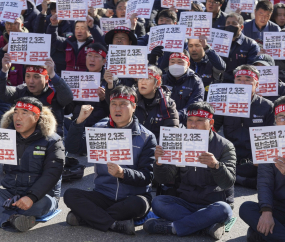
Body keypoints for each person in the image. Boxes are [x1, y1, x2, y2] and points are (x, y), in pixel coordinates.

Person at [63, 86, 157, 235]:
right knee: (70, 195)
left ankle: (86, 218)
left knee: (139, 204)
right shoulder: (98, 130)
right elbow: (73, 148)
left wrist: (123, 173)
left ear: (134, 107)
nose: (117, 108)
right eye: (114, 104)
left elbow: (147, 177)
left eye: (123, 104)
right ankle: (114, 224)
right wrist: (79, 121)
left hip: (131, 196)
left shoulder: (147, 137)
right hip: (103, 194)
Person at [143, 101, 236, 240]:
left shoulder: (225, 146)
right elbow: (164, 179)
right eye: (190, 120)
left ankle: (173, 227)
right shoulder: (178, 141)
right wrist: (159, 163)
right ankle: (205, 227)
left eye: (199, 121)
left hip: (212, 202)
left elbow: (228, 182)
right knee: (158, 202)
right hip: (185, 202)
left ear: (211, 123)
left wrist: (216, 165)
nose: (193, 125)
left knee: (224, 210)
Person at [0, 97, 64, 232]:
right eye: (15, 112)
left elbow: (52, 173)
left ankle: (9, 217)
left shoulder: (52, 141)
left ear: (36, 118)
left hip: (41, 196)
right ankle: (15, 219)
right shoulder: (5, 137)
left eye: (24, 113)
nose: (18, 117)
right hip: (11, 192)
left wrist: (31, 197)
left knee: (38, 205)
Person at [214, 64, 274, 189]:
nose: (243, 82)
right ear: (234, 81)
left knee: (267, 173)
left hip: (254, 160)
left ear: (256, 84)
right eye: (239, 79)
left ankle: (235, 178)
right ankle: (239, 179)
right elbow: (212, 129)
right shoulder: (223, 102)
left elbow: (270, 138)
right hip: (228, 156)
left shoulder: (267, 106)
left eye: (248, 79)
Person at [239, 96, 285, 242]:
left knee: (255, 235)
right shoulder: (268, 141)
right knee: (246, 208)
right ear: (275, 121)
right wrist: (266, 211)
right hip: (278, 206)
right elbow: (265, 181)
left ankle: (267, 234)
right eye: (281, 117)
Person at [0, 54, 73, 137]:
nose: (31, 81)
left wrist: (53, 74)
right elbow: (2, 93)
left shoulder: (54, 92)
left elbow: (68, 98)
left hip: (49, 140)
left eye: (36, 77)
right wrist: (4, 71)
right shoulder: (20, 90)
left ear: (46, 78)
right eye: (28, 76)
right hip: (23, 140)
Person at [105, 65, 179, 141]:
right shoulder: (130, 97)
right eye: (140, 78)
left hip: (155, 149)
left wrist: (153, 147)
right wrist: (110, 84)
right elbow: (114, 102)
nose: (143, 82)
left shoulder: (167, 104)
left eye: (148, 78)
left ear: (158, 83)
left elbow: (171, 130)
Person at [65, 43, 110, 128]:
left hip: (100, 126)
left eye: (96, 56)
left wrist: (104, 99)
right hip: (78, 123)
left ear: (104, 61)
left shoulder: (109, 81)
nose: (92, 59)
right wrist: (67, 97)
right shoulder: (77, 79)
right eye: (89, 55)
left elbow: (112, 111)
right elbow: (67, 110)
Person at [162, 50, 204, 124]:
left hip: (185, 124)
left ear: (188, 64)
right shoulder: (162, 79)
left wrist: (176, 117)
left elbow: (195, 105)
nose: (175, 65)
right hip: (162, 121)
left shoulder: (196, 81)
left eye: (180, 62)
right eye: (172, 62)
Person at [222, 12, 260, 83]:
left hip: (242, 83)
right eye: (228, 23)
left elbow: (251, 69)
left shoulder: (251, 45)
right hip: (222, 82)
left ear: (241, 27)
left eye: (234, 23)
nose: (230, 26)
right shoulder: (219, 42)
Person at [188, 35, 226, 100]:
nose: (193, 49)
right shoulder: (185, 63)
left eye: (197, 46)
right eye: (190, 46)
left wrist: (207, 48)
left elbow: (221, 68)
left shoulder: (211, 62)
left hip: (207, 104)